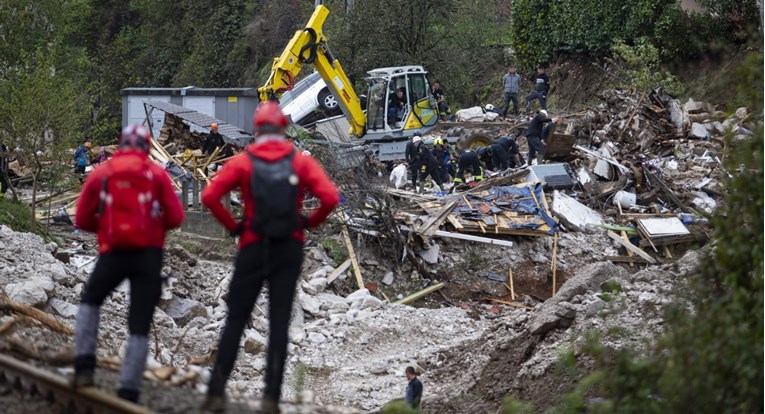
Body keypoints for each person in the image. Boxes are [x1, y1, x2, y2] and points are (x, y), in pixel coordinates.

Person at [200, 102, 339, 413]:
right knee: (278, 325)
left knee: (235, 320)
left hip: (253, 244)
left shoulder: (243, 161)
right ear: (284, 129)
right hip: (287, 247)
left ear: (257, 129)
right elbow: (330, 197)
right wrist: (308, 222)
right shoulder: (300, 162)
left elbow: (208, 196)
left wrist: (234, 226)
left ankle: (215, 391)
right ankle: (271, 400)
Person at [70, 125, 185, 403]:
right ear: (147, 147)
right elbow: (176, 216)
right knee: (139, 322)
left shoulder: (102, 172)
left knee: (90, 301)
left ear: (120, 145)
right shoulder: (156, 173)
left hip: (113, 252)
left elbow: (82, 219)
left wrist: (106, 229)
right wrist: (154, 229)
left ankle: (84, 367)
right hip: (148, 255)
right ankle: (129, 389)